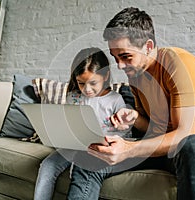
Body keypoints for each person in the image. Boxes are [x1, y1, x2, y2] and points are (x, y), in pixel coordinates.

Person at [68, 7, 195, 200]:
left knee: (193, 145)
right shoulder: (136, 75)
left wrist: (128, 149)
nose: (120, 66)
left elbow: (184, 133)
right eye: (115, 57)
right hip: (158, 150)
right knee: (92, 155)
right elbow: (152, 129)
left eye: (125, 56)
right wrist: (134, 119)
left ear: (148, 46)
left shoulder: (179, 63)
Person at [33, 47, 128, 200]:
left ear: (106, 75)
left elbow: (124, 133)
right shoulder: (74, 97)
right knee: (47, 165)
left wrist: (120, 127)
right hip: (74, 146)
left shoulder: (115, 99)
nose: (87, 90)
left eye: (93, 83)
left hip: (99, 149)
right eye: (81, 83)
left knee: (84, 164)